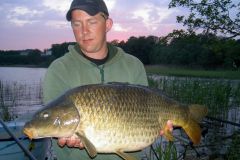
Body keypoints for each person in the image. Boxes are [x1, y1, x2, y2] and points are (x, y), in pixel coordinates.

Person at [43, 0, 172, 159]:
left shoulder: (133, 65)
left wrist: (160, 127)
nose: (84, 31)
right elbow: (53, 123)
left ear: (108, 24)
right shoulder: (59, 70)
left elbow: (148, 115)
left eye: (92, 22)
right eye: (77, 24)